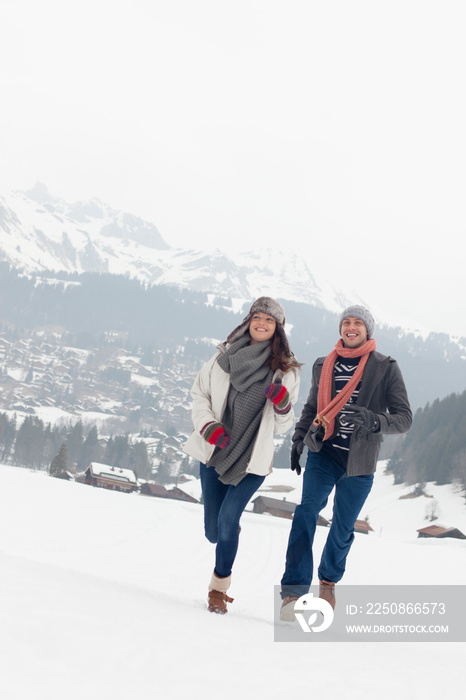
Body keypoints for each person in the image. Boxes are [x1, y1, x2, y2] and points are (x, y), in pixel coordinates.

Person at [280, 305, 412, 621]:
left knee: (341, 528)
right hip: (324, 452)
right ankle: (293, 592)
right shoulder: (324, 364)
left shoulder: (385, 367)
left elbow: (404, 418)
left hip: (361, 461)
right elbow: (312, 407)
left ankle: (328, 579)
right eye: (346, 323)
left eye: (358, 323)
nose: (351, 328)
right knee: (307, 511)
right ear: (341, 328)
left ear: (368, 330)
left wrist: (374, 419)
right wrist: (299, 439)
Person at [183, 297, 301, 614]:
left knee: (227, 519)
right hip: (215, 450)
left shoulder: (285, 370)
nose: (261, 323)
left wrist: (282, 404)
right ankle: (226, 533)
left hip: (252, 461)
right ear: (248, 321)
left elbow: (283, 425)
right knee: (214, 531)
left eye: (269, 320)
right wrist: (207, 426)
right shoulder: (223, 357)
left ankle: (218, 590)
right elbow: (199, 394)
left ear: (278, 328)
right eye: (257, 317)